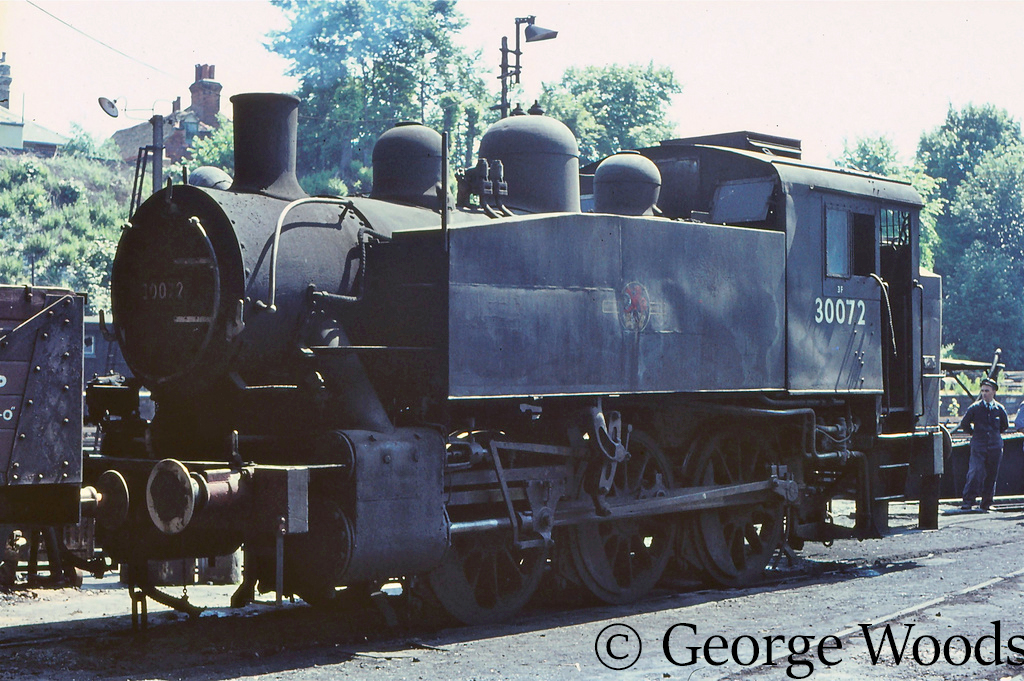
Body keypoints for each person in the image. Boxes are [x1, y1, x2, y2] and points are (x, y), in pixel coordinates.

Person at [959, 377, 1009, 511]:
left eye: (987, 391)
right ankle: (968, 501)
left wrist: (994, 435)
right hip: (979, 446)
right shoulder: (975, 408)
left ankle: (986, 503)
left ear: (993, 392)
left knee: (991, 474)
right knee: (975, 472)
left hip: (995, 446)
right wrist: (975, 433)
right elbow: (964, 424)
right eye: (982, 391)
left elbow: (1004, 425)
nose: (984, 394)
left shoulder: (999, 409)